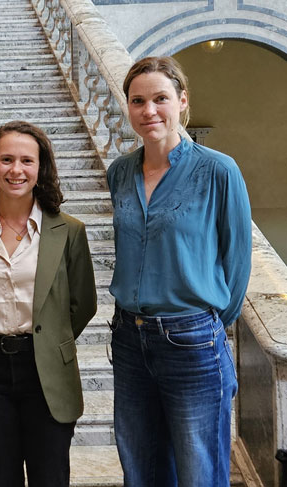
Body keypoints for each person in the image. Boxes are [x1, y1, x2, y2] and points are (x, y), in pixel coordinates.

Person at [107, 56, 252, 486]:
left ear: (182, 101)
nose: (149, 110)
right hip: (130, 339)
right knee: (141, 468)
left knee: (198, 472)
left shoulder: (218, 170)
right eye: (138, 101)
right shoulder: (120, 173)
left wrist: (206, 325)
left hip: (191, 340)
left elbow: (238, 262)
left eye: (160, 99)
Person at [0, 121, 97, 486]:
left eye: (27, 161)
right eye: (7, 159)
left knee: (50, 477)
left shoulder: (69, 230)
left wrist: (50, 338)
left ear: (40, 167)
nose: (16, 170)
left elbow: (84, 303)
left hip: (47, 368)